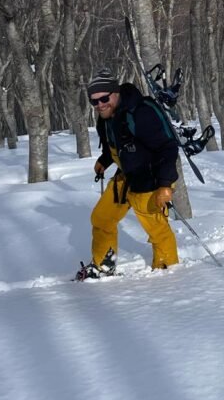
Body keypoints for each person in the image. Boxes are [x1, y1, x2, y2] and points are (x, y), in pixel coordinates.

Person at [75, 69, 180, 279]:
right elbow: (114, 145)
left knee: (156, 229)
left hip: (153, 179)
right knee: (102, 218)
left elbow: (168, 147)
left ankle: (169, 273)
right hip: (127, 177)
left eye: (104, 98)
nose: (99, 105)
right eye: (94, 101)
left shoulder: (141, 113)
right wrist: (104, 161)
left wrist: (165, 184)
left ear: (116, 93)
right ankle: (104, 265)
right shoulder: (104, 119)